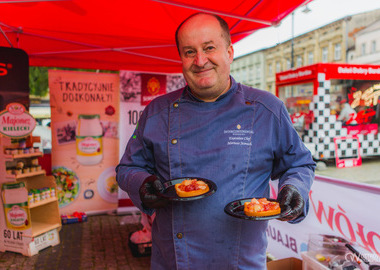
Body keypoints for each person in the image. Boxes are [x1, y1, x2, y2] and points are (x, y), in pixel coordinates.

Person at [116, 12, 315, 269]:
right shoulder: (157, 111)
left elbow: (299, 164)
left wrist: (295, 188)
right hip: (173, 261)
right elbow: (127, 169)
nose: (200, 60)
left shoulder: (267, 109)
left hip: (240, 261)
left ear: (230, 52)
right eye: (189, 52)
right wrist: (142, 184)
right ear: (181, 59)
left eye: (209, 48)